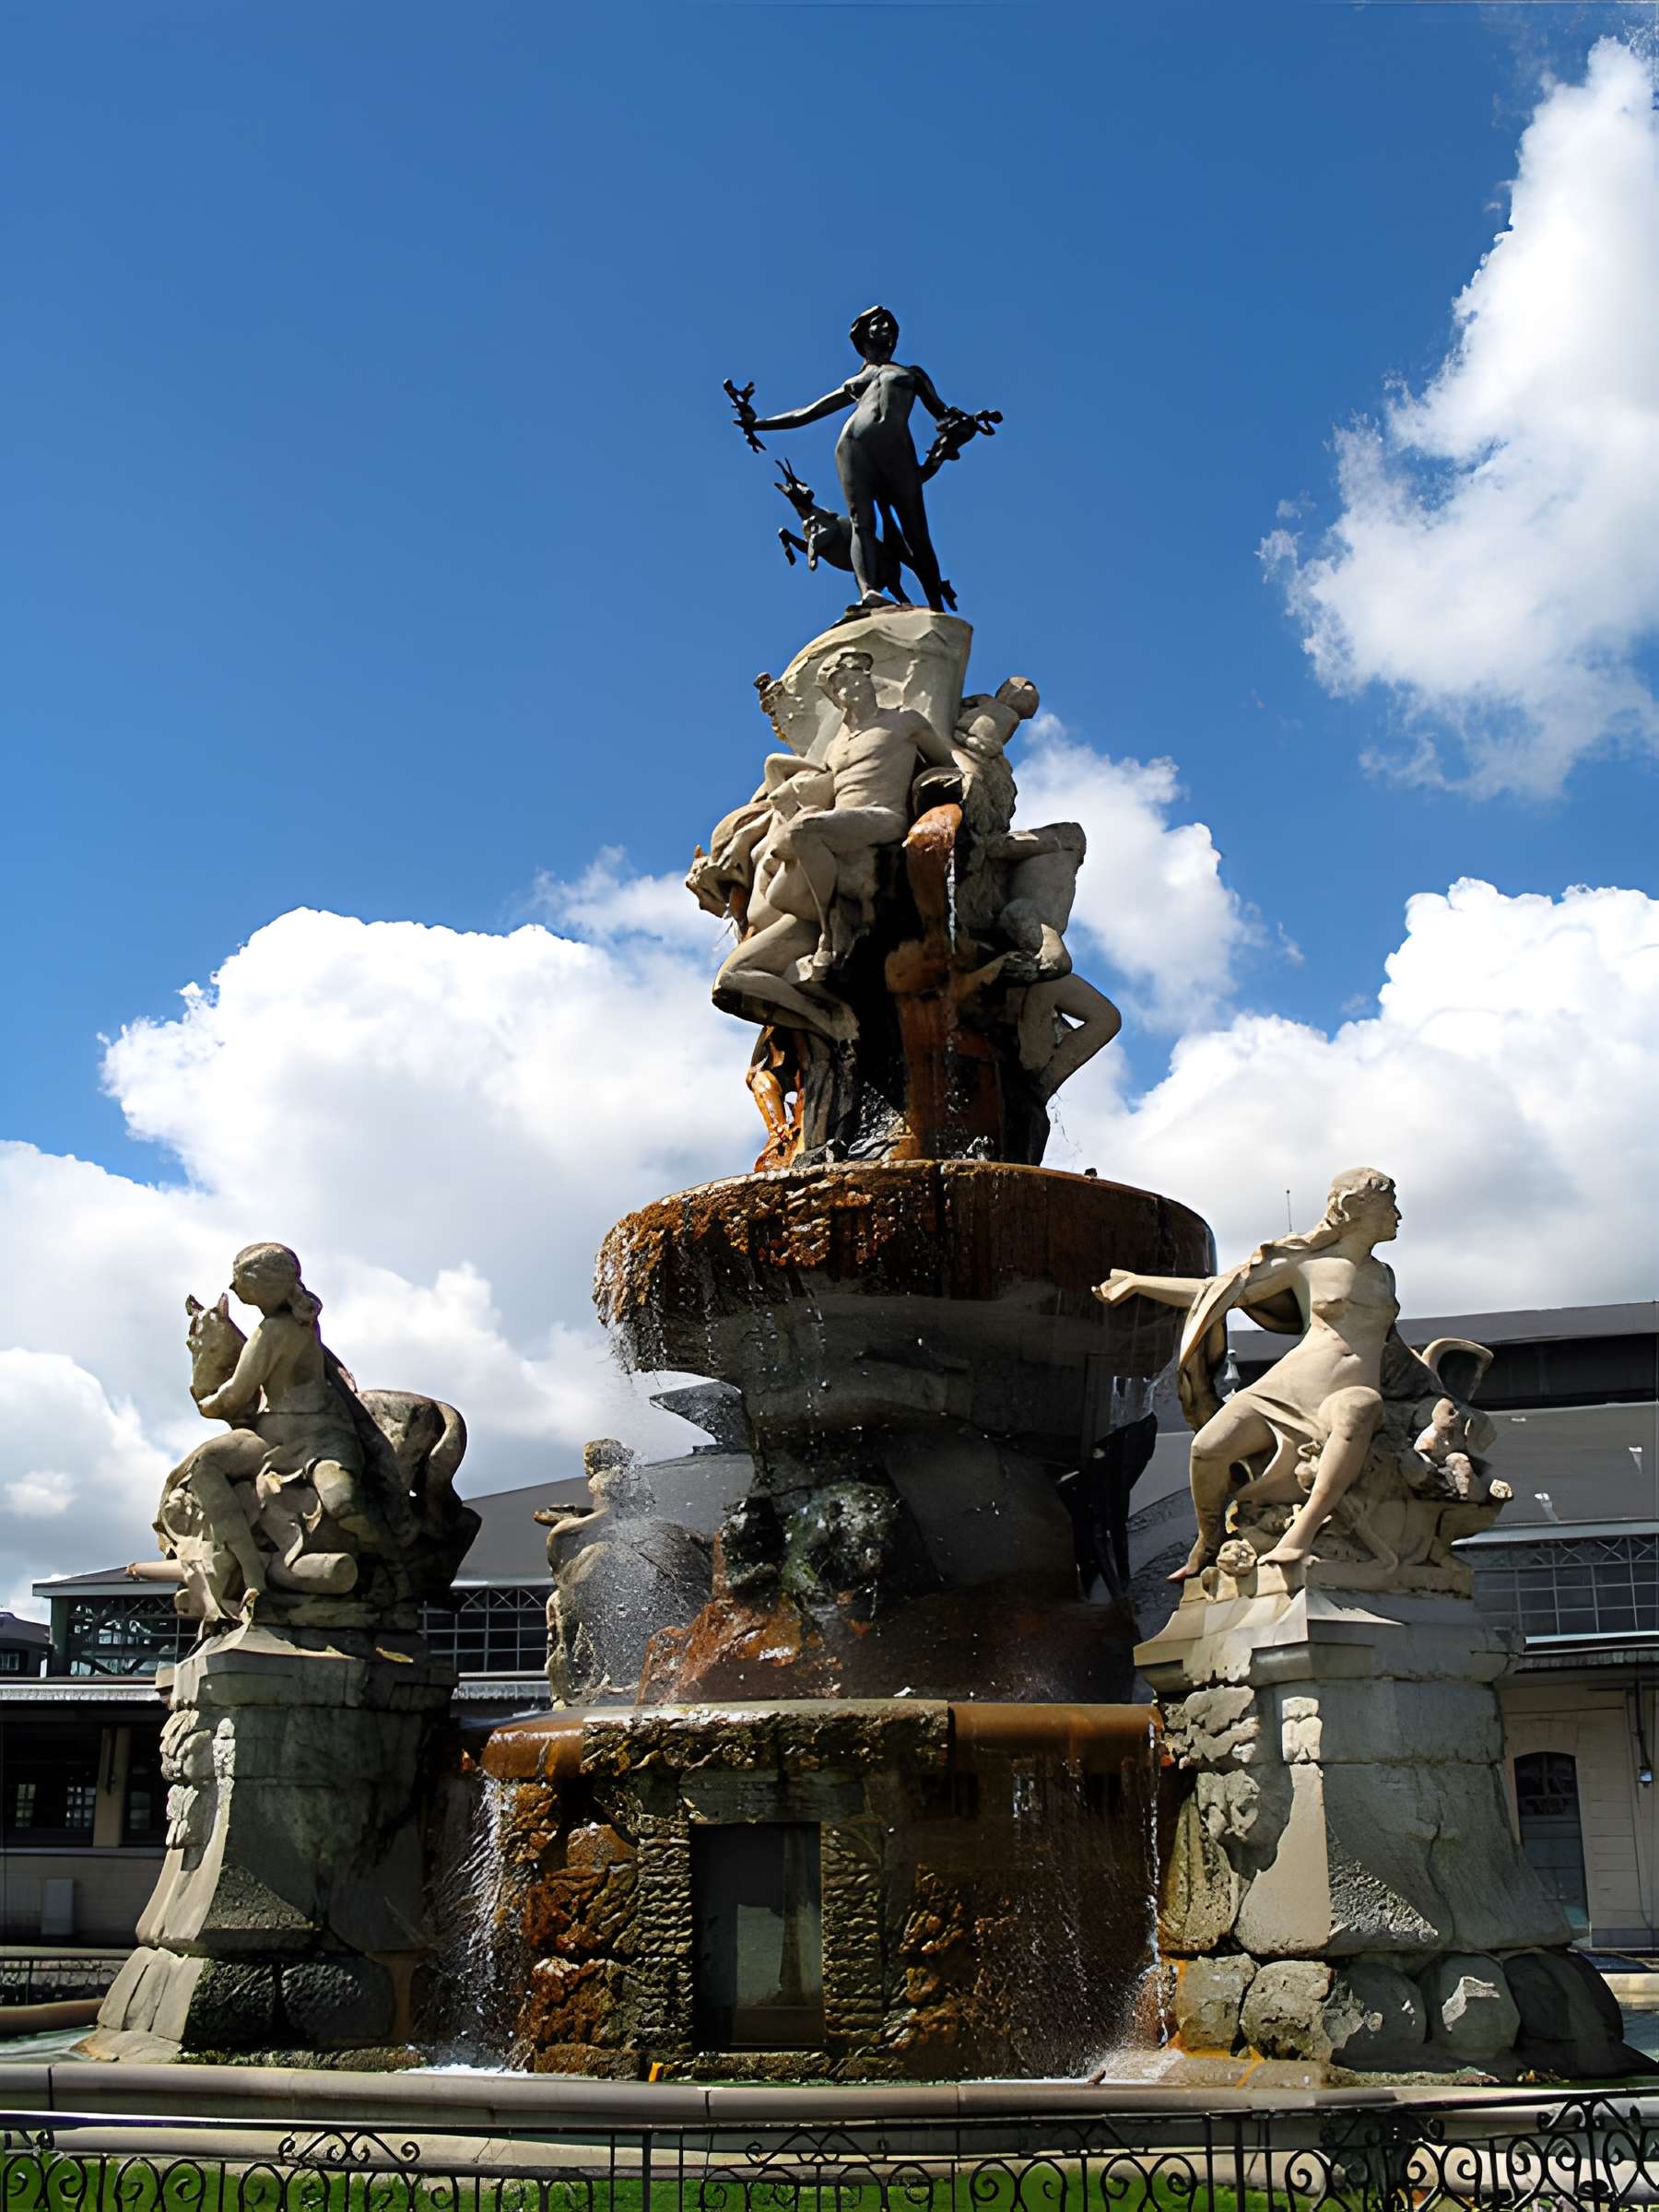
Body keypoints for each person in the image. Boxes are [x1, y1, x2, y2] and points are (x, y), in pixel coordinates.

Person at [1095, 1170, 1403, 1581]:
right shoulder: (1307, 1263)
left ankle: (1301, 1535)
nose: (1397, 1215)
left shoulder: (1384, 1276)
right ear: (1353, 1209)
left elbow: (1392, 1348)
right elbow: (1217, 1292)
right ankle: (1210, 1536)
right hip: (1289, 1386)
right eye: (1389, 1205)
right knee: (1207, 1448)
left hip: (1345, 1394)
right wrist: (1137, 1283)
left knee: (1359, 1409)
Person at [734, 307, 968, 611]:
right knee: (861, 521)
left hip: (898, 450)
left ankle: (936, 607)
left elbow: (944, 413)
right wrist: (759, 423)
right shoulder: (857, 379)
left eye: (889, 323)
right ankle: (869, 592)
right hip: (853, 445)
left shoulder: (912, 374)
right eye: (877, 322)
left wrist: (962, 426)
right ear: (862, 334)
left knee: (916, 531)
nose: (885, 326)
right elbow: (808, 412)